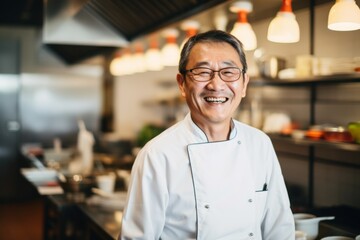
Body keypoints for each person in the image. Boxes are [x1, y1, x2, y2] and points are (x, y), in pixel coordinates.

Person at [120, 30, 295, 240]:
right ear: (182, 84)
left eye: (229, 72)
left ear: (244, 84)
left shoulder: (259, 143)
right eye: (202, 72)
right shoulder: (157, 155)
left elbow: (280, 228)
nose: (216, 85)